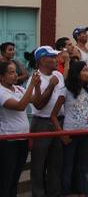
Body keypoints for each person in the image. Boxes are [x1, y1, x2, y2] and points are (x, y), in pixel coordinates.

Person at [51, 60, 88, 196]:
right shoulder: (66, 91)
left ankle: (82, 191)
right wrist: (62, 134)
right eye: (85, 70)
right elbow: (53, 115)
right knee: (68, 166)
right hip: (70, 134)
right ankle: (65, 191)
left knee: (83, 166)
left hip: (86, 133)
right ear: (77, 73)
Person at [0, 60, 40, 197]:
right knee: (7, 177)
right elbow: (20, 106)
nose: (15, 75)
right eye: (11, 72)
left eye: (16, 72)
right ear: (2, 76)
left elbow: (35, 100)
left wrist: (38, 86)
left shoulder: (19, 88)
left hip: (23, 138)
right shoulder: (1, 92)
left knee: (16, 175)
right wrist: (32, 85)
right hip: (8, 140)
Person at [30, 46, 65, 197]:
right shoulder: (35, 78)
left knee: (56, 163)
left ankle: (54, 193)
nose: (57, 59)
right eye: (52, 57)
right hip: (42, 123)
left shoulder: (58, 74)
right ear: (43, 60)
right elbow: (38, 104)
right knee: (38, 163)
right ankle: (38, 193)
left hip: (59, 122)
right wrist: (51, 85)